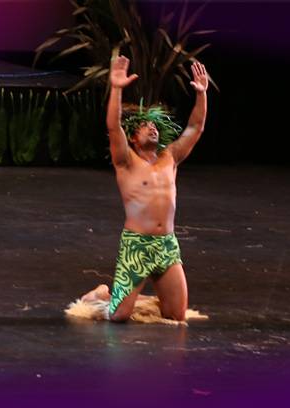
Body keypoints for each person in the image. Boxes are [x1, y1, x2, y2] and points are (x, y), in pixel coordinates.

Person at [78, 56, 211, 322]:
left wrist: (201, 94)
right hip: (137, 245)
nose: (152, 127)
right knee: (118, 316)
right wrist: (117, 88)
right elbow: (113, 126)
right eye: (144, 126)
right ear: (133, 138)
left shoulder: (170, 157)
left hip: (167, 245)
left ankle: (128, 295)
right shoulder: (126, 161)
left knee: (176, 315)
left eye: (154, 125)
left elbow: (195, 127)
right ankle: (103, 294)